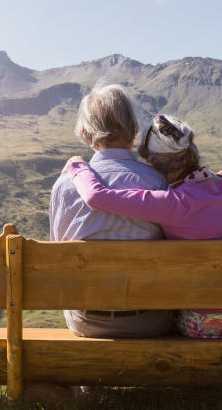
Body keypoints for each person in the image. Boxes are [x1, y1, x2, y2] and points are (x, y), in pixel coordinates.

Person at [63, 113, 222, 338]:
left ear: (154, 164)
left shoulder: (173, 204)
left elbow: (96, 197)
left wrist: (77, 165)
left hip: (207, 323)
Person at [49, 84, 176, 337]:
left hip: (86, 320)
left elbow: (56, 257)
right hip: (150, 319)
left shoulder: (64, 186)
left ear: (85, 132)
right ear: (133, 129)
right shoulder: (158, 182)